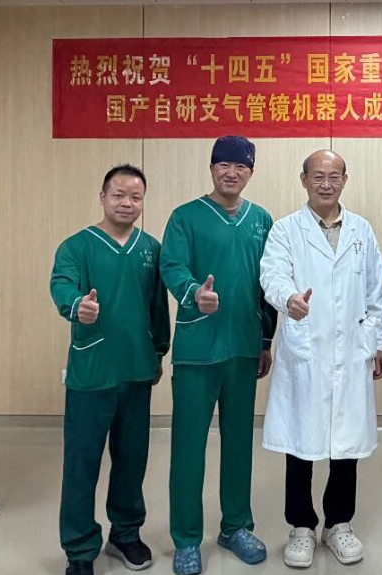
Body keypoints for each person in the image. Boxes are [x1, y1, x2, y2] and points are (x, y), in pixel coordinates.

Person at [259, 149, 382, 568]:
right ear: (304, 180)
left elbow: (376, 293)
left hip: (351, 351)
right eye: (318, 176)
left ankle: (338, 524)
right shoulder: (286, 230)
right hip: (307, 349)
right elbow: (272, 275)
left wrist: (378, 342)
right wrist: (289, 299)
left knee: (345, 444)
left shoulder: (361, 230)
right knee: (301, 442)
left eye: (334, 176)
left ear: (344, 180)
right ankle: (301, 527)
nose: (326, 183)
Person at [159, 135, 277, 575]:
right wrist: (194, 294)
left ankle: (235, 526)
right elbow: (172, 266)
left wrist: (264, 341)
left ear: (251, 172)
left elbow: (269, 282)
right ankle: (186, 539)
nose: (231, 172)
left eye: (240, 166)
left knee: (239, 443)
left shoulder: (260, 220)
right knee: (188, 447)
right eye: (223, 164)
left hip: (243, 348)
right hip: (198, 349)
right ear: (211, 169)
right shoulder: (185, 217)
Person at [49, 164, 170, 575]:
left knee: (132, 459)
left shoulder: (151, 249)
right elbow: (62, 285)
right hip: (92, 371)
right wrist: (77, 305)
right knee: (82, 462)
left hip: (137, 371)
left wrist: (159, 351)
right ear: (102, 197)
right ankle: (80, 550)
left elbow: (158, 307)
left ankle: (125, 534)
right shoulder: (76, 247)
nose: (127, 203)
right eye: (118, 195)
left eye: (135, 197)